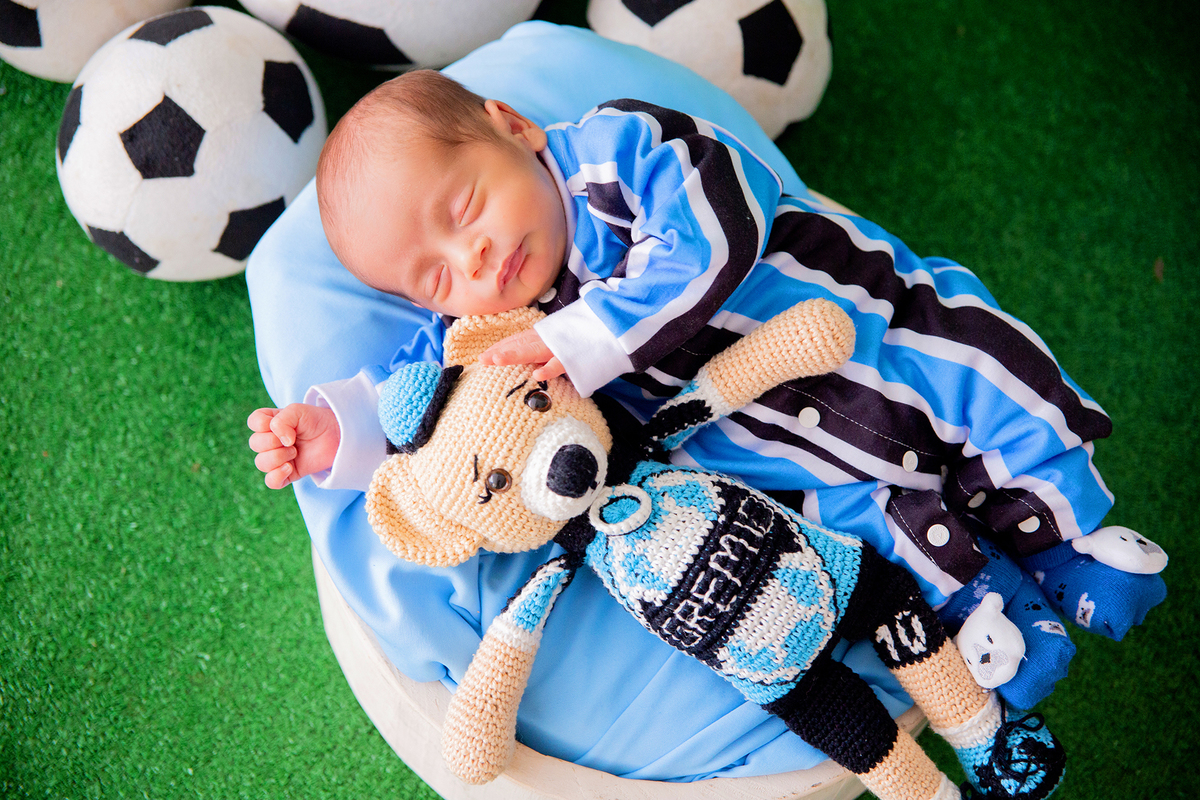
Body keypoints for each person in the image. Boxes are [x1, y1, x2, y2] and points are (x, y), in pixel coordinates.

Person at [248, 70, 1165, 709]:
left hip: (864, 330)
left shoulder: (619, 154)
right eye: (437, 277)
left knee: (983, 381)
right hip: (775, 444)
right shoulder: (485, 338)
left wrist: (582, 336)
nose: (474, 258)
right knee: (860, 524)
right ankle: (986, 610)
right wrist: (334, 434)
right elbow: (429, 412)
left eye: (464, 210)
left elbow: (718, 232)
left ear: (513, 129)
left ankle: (1068, 534)